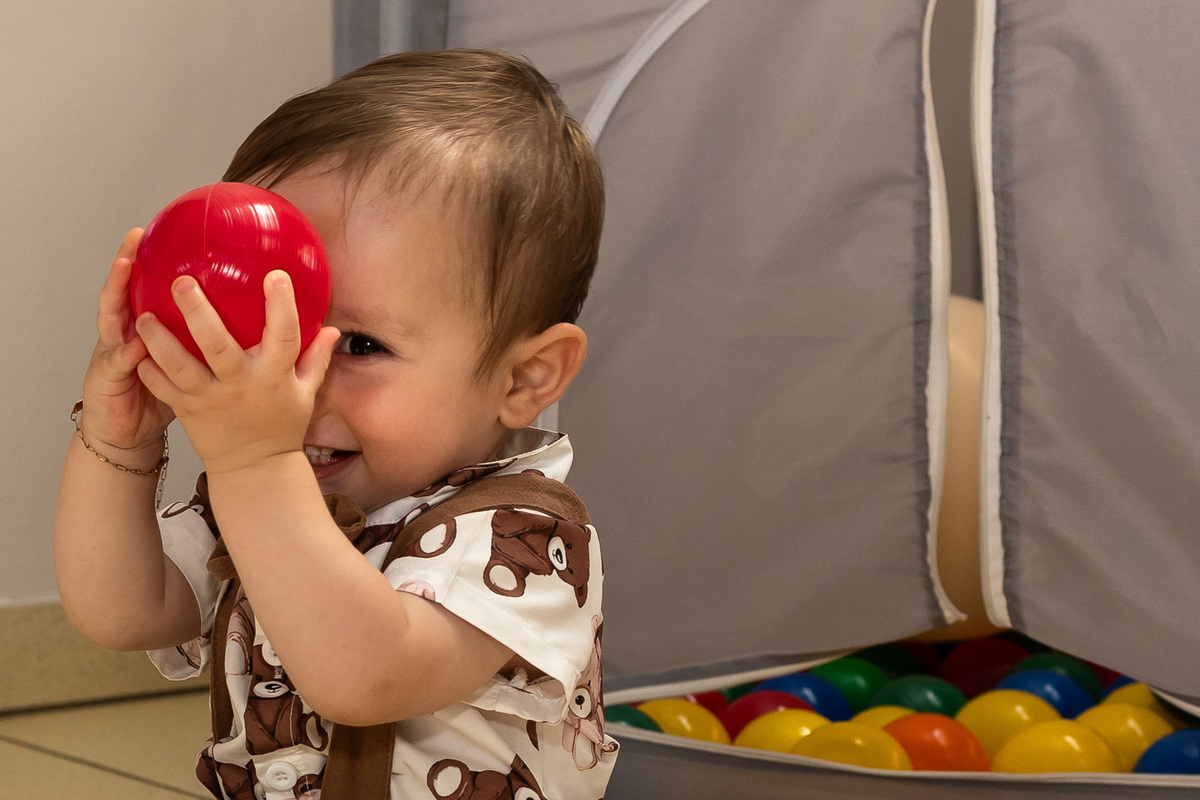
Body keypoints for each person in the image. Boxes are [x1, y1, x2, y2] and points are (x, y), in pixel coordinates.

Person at [53, 49, 616, 800]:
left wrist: (256, 466)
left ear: (524, 379)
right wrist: (119, 439)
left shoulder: (524, 537)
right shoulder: (265, 496)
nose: (299, 378)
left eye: (359, 345)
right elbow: (123, 611)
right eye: (271, 327)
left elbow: (367, 676)